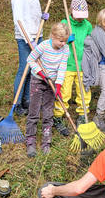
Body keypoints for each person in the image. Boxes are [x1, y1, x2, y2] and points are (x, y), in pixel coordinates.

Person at [25, 23, 71, 157]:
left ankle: (46, 141)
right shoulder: (44, 46)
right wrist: (41, 73)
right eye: (60, 41)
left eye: (65, 41)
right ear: (53, 36)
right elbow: (30, 60)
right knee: (34, 112)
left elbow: (62, 67)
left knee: (48, 112)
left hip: (51, 83)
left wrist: (58, 85)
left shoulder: (65, 49)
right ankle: (31, 141)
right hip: (38, 81)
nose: (63, 44)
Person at [53, 0, 93, 136]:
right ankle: (58, 115)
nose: (81, 19)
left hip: (83, 65)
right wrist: (67, 40)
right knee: (65, 92)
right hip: (68, 65)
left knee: (84, 90)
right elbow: (56, 41)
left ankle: (83, 114)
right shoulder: (65, 24)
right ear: (71, 11)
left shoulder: (87, 25)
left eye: (83, 16)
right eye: (78, 16)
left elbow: (90, 43)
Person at [11, 0, 46, 116]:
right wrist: (29, 40)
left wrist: (42, 16)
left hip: (37, 36)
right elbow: (19, 18)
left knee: (33, 70)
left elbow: (32, 15)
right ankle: (17, 103)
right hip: (26, 37)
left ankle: (27, 100)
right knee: (24, 69)